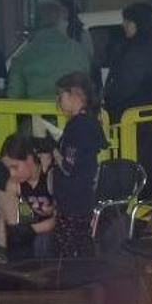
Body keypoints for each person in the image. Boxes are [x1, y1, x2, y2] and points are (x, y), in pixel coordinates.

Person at [103, 2, 152, 196]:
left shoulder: (136, 51)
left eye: (127, 21)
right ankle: (150, 212)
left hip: (133, 122)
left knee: (133, 173)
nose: (123, 25)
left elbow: (124, 86)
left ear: (138, 23)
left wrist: (108, 100)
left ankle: (134, 216)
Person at [51, 71, 107, 257]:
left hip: (71, 199)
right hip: (84, 197)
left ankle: (69, 282)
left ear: (75, 94)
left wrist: (53, 150)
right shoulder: (91, 123)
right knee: (83, 245)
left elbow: (68, 167)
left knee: (67, 248)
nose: (59, 100)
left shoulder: (76, 126)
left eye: (61, 95)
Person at [7, 0, 91, 100]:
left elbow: (14, 97)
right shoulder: (78, 51)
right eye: (66, 20)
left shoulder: (22, 56)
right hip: (71, 113)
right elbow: (87, 87)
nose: (67, 24)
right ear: (59, 21)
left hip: (35, 114)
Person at [0, 133, 58, 259]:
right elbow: (3, 217)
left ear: (29, 159)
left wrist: (31, 230)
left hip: (49, 235)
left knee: (41, 241)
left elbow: (60, 218)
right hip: (27, 230)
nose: (12, 173)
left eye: (15, 167)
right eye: (8, 168)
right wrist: (1, 250)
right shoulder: (14, 184)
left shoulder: (51, 177)